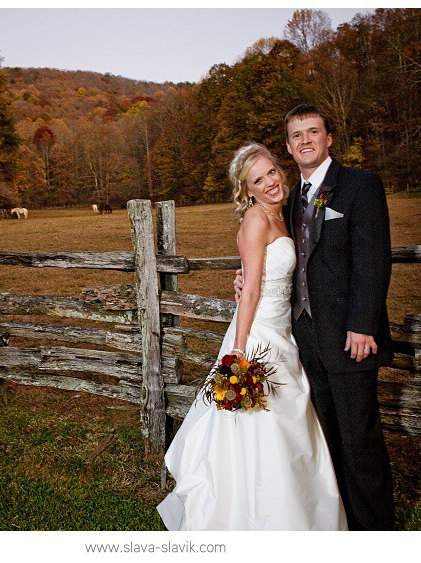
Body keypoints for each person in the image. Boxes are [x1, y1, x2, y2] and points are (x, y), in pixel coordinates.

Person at [156, 143, 347, 531]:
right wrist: (239, 352)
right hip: (259, 334)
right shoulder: (256, 221)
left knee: (291, 424)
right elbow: (253, 291)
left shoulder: (289, 212)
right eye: (258, 180)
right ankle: (264, 516)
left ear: (281, 171)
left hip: (285, 331)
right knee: (264, 426)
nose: (269, 182)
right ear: (248, 191)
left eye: (272, 172)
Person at [234, 104, 395, 530]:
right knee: (326, 439)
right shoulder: (287, 202)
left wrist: (362, 323)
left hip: (349, 336)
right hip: (301, 339)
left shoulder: (360, 186)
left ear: (329, 139)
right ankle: (340, 524)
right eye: (296, 135)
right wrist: (246, 275)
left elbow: (373, 260)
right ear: (288, 146)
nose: (305, 140)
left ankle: (377, 533)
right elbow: (274, 255)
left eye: (313, 132)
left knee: (360, 438)